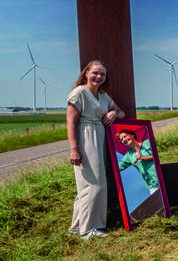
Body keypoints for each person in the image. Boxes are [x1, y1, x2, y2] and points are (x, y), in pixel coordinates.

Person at [66, 60, 125, 239]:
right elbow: (71, 122)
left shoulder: (103, 96)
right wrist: (74, 149)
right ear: (86, 73)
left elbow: (121, 112)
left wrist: (113, 113)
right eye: (95, 73)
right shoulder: (79, 93)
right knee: (95, 184)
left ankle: (76, 227)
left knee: (87, 186)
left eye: (102, 74)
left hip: (100, 137)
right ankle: (89, 229)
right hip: (86, 137)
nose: (99, 77)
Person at [116, 129, 159, 194]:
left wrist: (144, 158)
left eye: (125, 136)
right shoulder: (128, 155)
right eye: (121, 139)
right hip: (152, 185)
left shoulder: (148, 143)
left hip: (161, 177)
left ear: (132, 135)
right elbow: (117, 168)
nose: (124, 139)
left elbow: (160, 155)